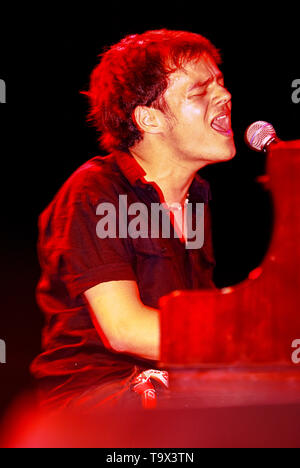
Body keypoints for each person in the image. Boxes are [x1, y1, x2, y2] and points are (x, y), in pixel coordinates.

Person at [30, 29, 236, 410]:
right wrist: (247, 340)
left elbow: (191, 319)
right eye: (199, 91)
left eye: (221, 84)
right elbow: (125, 330)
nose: (224, 96)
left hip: (171, 388)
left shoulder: (197, 197)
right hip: (95, 402)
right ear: (149, 119)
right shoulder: (94, 191)